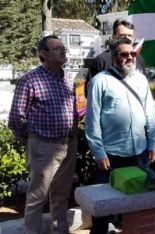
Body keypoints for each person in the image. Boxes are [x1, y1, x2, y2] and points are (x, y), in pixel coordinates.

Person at [85, 37, 155, 234]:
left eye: (132, 53)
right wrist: (99, 153)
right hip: (111, 155)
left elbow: (150, 114)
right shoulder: (99, 82)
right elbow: (92, 122)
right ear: (113, 56)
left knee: (138, 201)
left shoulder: (141, 79)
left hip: (140, 153)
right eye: (124, 54)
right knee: (103, 207)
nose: (129, 58)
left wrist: (152, 142)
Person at [8, 35, 77, 234]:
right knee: (37, 198)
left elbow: (72, 110)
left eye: (63, 47)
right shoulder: (30, 80)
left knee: (61, 195)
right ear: (43, 54)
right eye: (57, 49)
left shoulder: (67, 78)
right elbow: (15, 119)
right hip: (43, 147)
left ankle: (60, 230)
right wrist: (33, 141)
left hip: (68, 144)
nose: (63, 51)